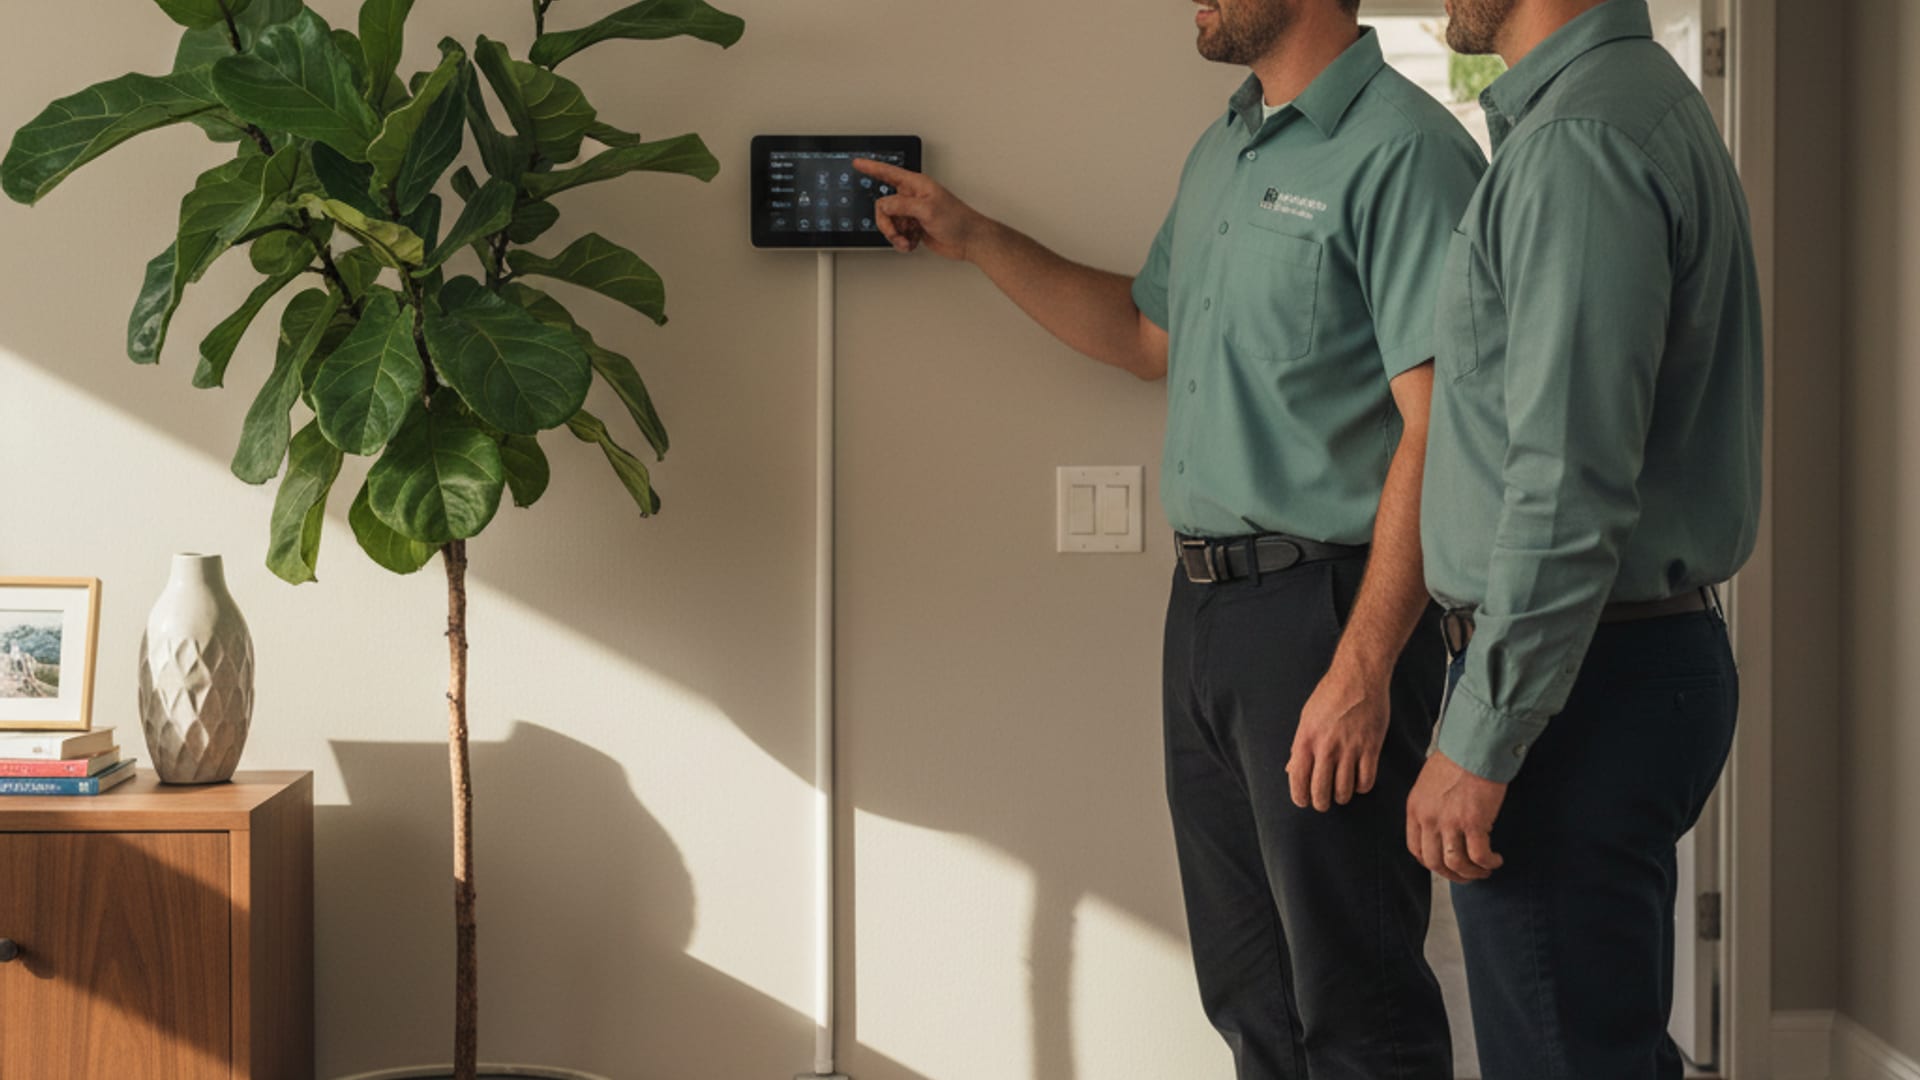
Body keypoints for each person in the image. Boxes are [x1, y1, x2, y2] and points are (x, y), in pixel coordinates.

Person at [856, 1, 1484, 1074]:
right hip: (1204, 617)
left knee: (1354, 996)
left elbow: (1443, 428)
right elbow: (1149, 336)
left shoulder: (1406, 154)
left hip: (1327, 615)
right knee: (1250, 993)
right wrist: (975, 240)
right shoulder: (1225, 150)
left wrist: (1366, 661)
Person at [1404, 0, 1763, 1077]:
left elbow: (1565, 488)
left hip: (1581, 684)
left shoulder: (1581, 143)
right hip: (1606, 666)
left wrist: (1482, 732)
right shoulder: (1609, 114)